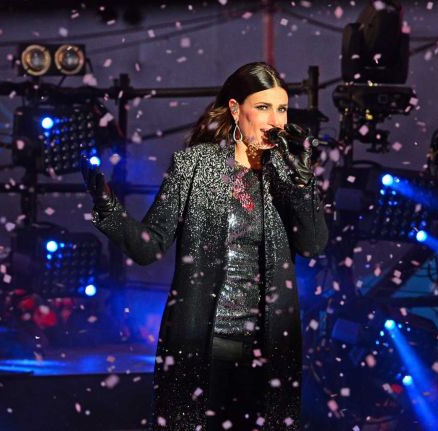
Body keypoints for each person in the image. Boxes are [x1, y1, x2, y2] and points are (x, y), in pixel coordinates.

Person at [81, 62, 328, 430]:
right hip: (202, 347)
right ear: (236, 110)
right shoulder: (194, 165)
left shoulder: (287, 172)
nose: (275, 120)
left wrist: (303, 183)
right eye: (263, 107)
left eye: (282, 109)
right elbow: (149, 248)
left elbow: (313, 245)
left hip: (270, 351)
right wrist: (106, 205)